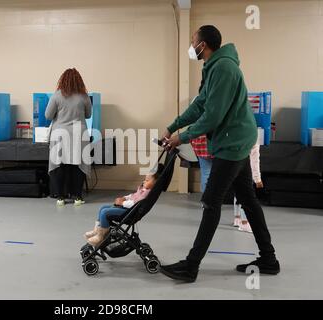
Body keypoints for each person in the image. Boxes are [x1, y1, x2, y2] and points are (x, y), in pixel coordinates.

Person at [159, 25, 280, 282]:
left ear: (204, 44)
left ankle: (191, 266)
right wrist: (173, 126)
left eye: (194, 41)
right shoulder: (213, 67)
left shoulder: (224, 68)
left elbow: (212, 117)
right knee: (248, 199)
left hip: (232, 143)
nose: (192, 46)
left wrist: (182, 136)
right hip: (234, 140)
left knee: (211, 202)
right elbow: (201, 104)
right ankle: (269, 259)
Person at [84, 164, 164, 247]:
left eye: (147, 180)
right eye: (144, 180)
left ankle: (100, 236)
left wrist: (122, 203)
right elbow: (133, 196)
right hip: (126, 208)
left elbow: (134, 203)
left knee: (105, 212)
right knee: (103, 208)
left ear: (155, 183)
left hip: (128, 212)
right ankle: (97, 229)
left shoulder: (147, 194)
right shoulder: (144, 189)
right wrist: (124, 198)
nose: (144, 182)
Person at [45, 68, 92, 206]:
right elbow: (88, 115)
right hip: (79, 134)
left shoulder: (57, 95)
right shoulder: (84, 96)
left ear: (62, 80)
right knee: (78, 165)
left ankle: (60, 197)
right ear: (79, 80)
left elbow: (48, 115)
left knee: (60, 164)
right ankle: (77, 196)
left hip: (59, 134)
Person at [234, 143, 264, 233]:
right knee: (245, 195)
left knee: (237, 192)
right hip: (246, 171)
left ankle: (237, 218)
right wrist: (257, 179)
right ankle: (244, 223)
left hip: (233, 167)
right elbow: (255, 160)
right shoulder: (253, 137)